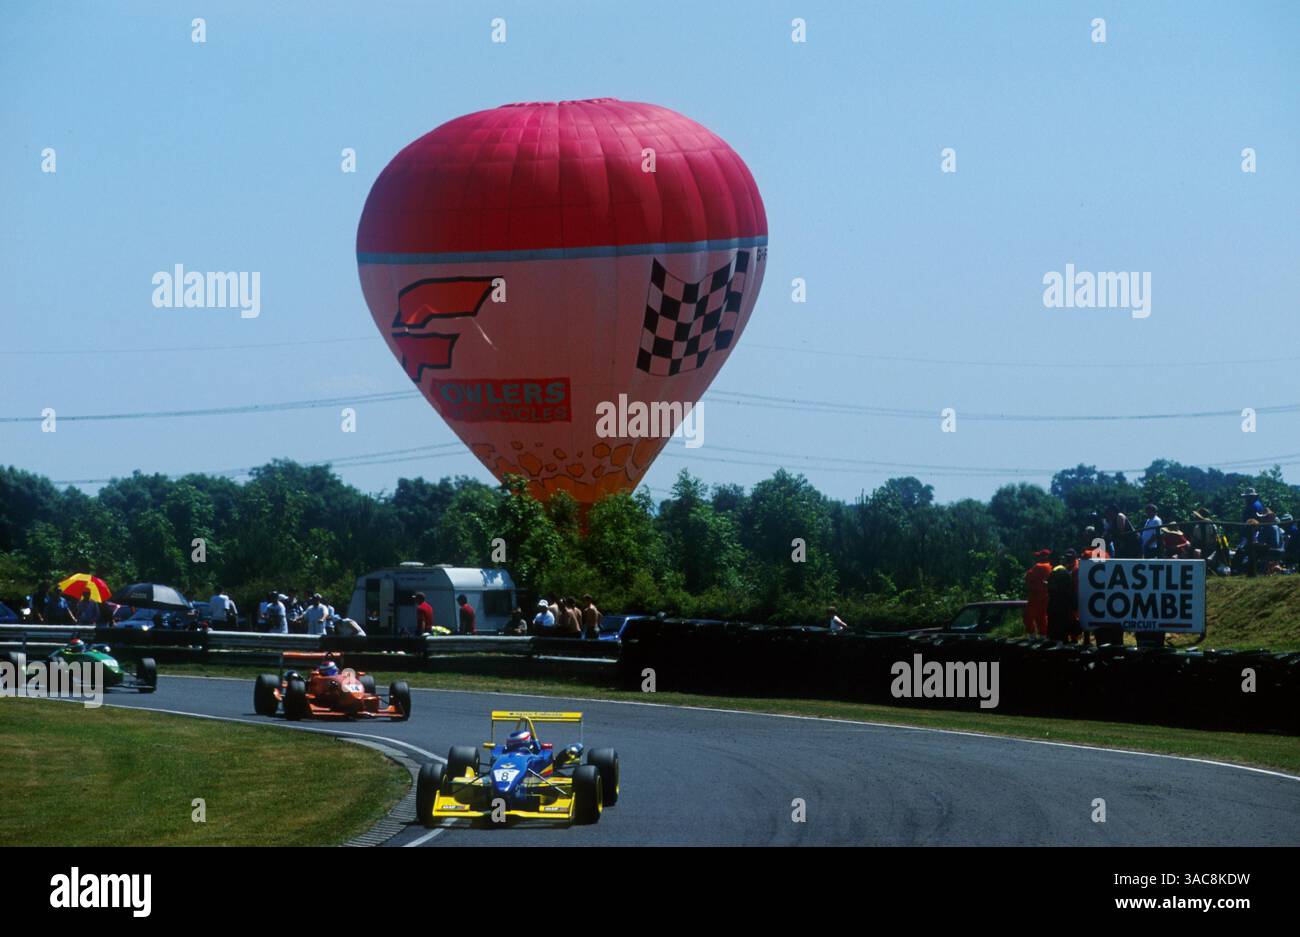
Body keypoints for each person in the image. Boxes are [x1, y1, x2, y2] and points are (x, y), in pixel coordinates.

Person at [1046, 551, 1076, 643]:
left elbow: (1052, 589)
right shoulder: (1065, 570)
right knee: (1063, 632)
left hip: (1056, 606)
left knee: (1055, 633)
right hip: (1065, 605)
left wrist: (1047, 585)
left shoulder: (1055, 571)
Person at [1022, 549, 1052, 637]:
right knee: (1041, 617)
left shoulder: (1039, 566)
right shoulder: (1050, 567)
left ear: (1044, 557)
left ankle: (1031, 635)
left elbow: (1027, 577)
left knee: (1027, 616)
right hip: (1045, 596)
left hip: (1035, 596)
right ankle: (1043, 635)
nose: (1037, 558)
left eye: (1039, 556)